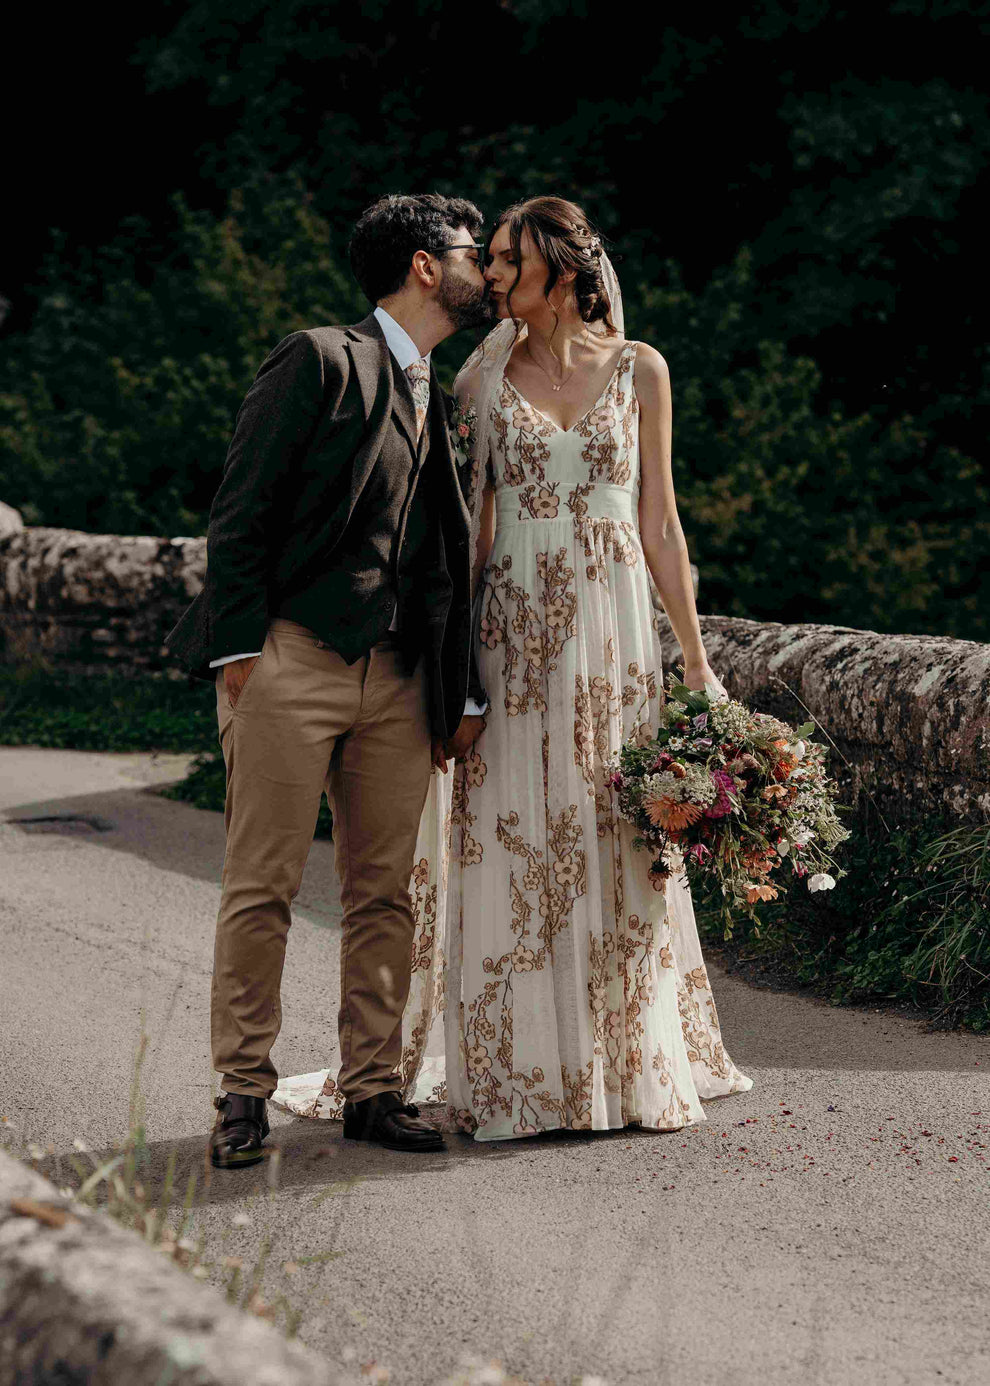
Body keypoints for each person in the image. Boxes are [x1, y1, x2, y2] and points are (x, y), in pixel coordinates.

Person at [277, 195, 753, 1142]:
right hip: (516, 632)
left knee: (615, 836)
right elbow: (471, 529)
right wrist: (455, 667)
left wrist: (697, 664)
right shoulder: (480, 377)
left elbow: (661, 523)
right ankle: (520, 1075)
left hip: (616, 636)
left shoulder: (642, 369)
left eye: (507, 259)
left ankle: (620, 1065)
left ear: (562, 272)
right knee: (514, 839)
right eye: (487, 256)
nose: (489, 274)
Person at [164, 193, 493, 1166]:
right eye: (472, 250)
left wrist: (458, 688)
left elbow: (443, 561)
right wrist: (239, 652)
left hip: (400, 678)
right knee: (261, 885)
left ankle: (373, 1091)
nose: (485, 266)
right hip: (292, 657)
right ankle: (242, 1094)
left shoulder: (441, 388)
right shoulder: (318, 358)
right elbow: (241, 509)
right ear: (426, 265)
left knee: (385, 894)